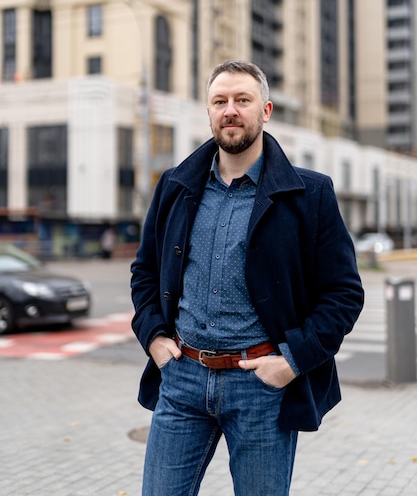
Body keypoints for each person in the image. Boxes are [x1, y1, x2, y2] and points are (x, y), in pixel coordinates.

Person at [130, 59, 364, 496]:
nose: (230, 110)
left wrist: (291, 362)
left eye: (243, 100)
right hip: (182, 377)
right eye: (220, 101)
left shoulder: (310, 194)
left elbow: (343, 295)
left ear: (266, 110)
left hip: (261, 386)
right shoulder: (174, 186)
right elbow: (145, 272)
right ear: (209, 112)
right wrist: (153, 338)